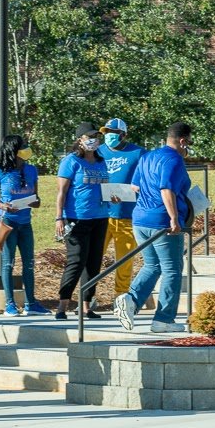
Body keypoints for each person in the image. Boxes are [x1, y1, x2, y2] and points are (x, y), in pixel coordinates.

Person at [113, 122, 193, 333]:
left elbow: (135, 186)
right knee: (172, 270)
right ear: (182, 140)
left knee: (152, 265)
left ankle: (130, 299)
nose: (189, 147)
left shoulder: (147, 156)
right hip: (162, 221)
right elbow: (167, 189)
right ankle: (164, 319)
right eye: (189, 142)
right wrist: (174, 218)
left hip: (140, 218)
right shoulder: (174, 159)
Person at [0, 135, 47, 317]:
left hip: (25, 223)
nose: (27, 148)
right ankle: (10, 305)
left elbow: (35, 196)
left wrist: (36, 202)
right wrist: (3, 206)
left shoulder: (31, 170)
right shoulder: (0, 172)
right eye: (23, 146)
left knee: (29, 262)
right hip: (7, 223)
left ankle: (31, 303)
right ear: (13, 150)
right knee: (8, 263)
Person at [55, 123, 109, 321]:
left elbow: (104, 187)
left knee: (94, 262)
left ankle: (86, 306)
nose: (94, 139)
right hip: (77, 217)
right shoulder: (71, 161)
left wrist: (114, 196)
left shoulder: (101, 161)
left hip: (100, 216)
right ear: (80, 139)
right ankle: (62, 305)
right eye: (90, 136)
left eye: (96, 136)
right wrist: (59, 217)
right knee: (76, 261)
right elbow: (61, 192)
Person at [98, 118, 146, 302]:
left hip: (127, 214)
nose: (109, 135)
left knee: (124, 261)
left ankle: (120, 298)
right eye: (106, 132)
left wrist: (136, 189)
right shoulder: (98, 152)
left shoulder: (138, 153)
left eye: (114, 132)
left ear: (123, 134)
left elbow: (146, 178)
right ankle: (88, 297)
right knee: (93, 259)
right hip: (101, 216)